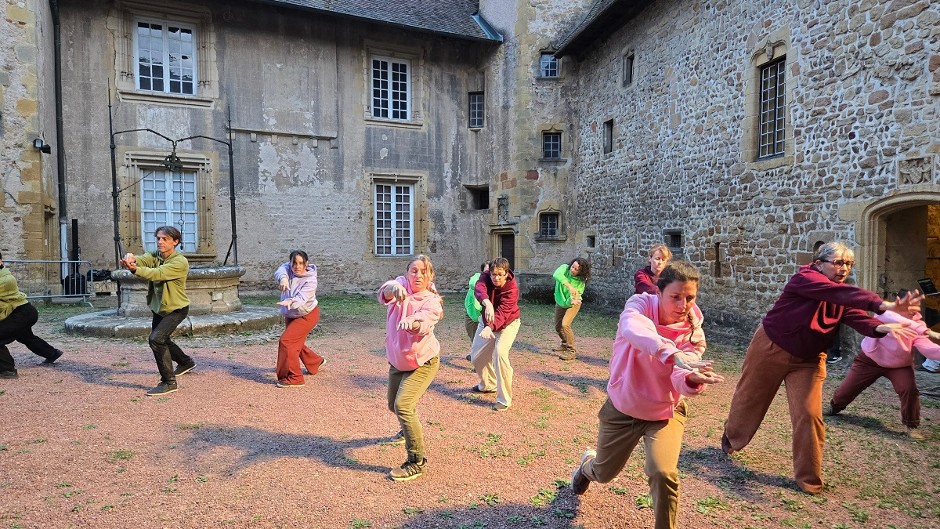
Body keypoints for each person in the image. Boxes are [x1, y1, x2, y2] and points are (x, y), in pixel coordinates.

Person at [721, 241, 922, 494]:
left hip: (809, 359)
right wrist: (887, 305)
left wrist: (881, 327)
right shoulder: (804, 278)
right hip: (772, 347)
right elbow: (839, 295)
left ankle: (809, 479)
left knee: (810, 415)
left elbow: (853, 314)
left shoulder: (839, 292)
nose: (844, 268)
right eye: (838, 262)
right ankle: (732, 437)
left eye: (848, 264)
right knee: (750, 398)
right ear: (819, 263)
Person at [570, 261, 724, 529]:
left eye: (690, 298)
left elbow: (681, 373)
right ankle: (586, 467)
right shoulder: (639, 306)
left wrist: (690, 378)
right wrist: (672, 353)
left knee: (663, 472)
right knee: (604, 473)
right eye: (675, 297)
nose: (683, 304)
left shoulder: (693, 332)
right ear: (659, 292)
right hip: (623, 408)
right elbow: (634, 329)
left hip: (665, 412)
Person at [828, 289, 940, 440]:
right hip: (870, 360)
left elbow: (927, 348)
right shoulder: (885, 313)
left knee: (909, 390)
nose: (914, 310)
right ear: (898, 303)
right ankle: (834, 407)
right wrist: (926, 331)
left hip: (899, 365)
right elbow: (890, 316)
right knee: (846, 390)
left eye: (917, 305)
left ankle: (911, 425)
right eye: (909, 305)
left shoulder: (919, 325)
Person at [378, 255, 443, 481]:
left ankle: (416, 461)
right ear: (407, 273)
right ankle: (406, 430)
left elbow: (425, 321)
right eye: (414, 271)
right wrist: (392, 287)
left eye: (423, 272)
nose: (418, 275)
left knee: (403, 406)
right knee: (392, 405)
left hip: (423, 362)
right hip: (398, 361)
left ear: (430, 276)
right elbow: (385, 293)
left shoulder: (432, 301)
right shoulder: (400, 286)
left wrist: (413, 322)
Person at [120, 226, 196, 396]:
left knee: (156, 339)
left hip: (176, 309)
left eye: (165, 239)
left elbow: (157, 273)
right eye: (158, 238)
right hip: (159, 308)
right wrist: (131, 259)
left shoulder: (179, 262)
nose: (160, 242)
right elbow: (144, 260)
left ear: (175, 242)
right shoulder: (156, 255)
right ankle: (185, 362)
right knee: (163, 339)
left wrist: (133, 269)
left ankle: (169, 382)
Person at [0, 251, 64, 378]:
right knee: (25, 336)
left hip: (23, 313)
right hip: (16, 314)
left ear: (0, 261)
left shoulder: (6, 280)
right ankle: (52, 353)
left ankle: (7, 370)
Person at [469, 257, 521, 411]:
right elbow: (479, 288)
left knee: (500, 355)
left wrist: (489, 327)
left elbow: (502, 313)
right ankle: (488, 384)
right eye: (493, 275)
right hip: (485, 321)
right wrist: (487, 302)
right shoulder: (485, 276)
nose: (496, 278)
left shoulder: (512, 289)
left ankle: (504, 399)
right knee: (477, 356)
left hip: (508, 324)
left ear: (506, 274)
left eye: (500, 275)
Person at [273, 250, 324, 388]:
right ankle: (315, 361)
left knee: (287, 341)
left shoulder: (311, 280)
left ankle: (294, 377)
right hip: (291, 314)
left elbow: (301, 299)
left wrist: (290, 302)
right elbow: (280, 270)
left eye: (301, 263)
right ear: (290, 263)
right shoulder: (287, 269)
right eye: (294, 263)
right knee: (296, 343)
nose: (297, 266)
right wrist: (283, 279)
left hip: (307, 315)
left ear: (306, 264)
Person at [552, 257, 591, 360]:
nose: (573, 270)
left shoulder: (580, 282)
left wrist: (571, 300)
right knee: (558, 327)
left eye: (576, 269)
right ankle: (564, 343)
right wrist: (569, 286)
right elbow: (556, 275)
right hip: (560, 302)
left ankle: (571, 351)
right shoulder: (564, 268)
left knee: (565, 324)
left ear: (581, 272)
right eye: (573, 267)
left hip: (573, 303)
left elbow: (574, 297)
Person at [464, 261, 490, 341]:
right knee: (474, 338)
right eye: (486, 271)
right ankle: (475, 353)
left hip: (486, 315)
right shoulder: (476, 278)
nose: (488, 274)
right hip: (472, 314)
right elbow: (473, 284)